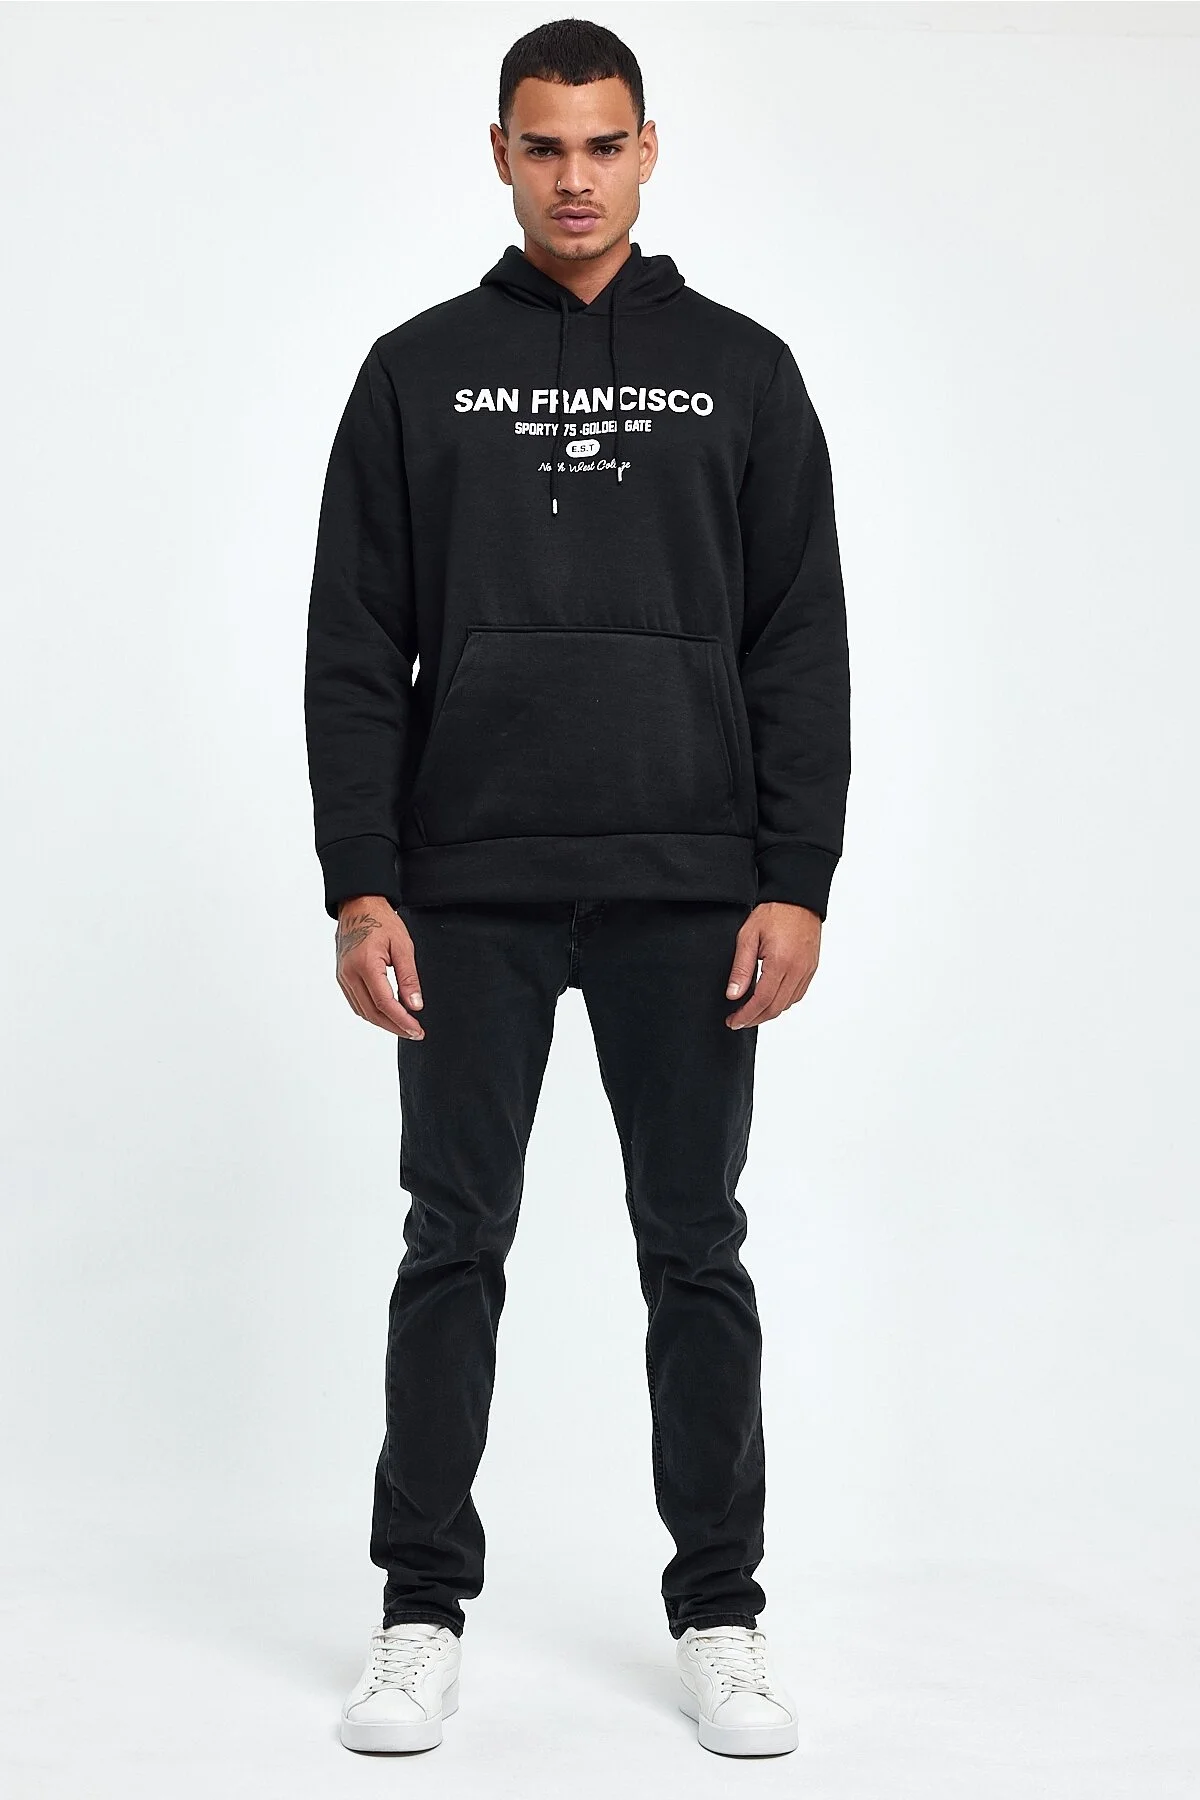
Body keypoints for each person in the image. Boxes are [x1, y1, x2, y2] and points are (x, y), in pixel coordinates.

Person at [304, 17, 851, 1761]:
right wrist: (361, 881)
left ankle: (721, 1616)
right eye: (543, 146)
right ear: (499, 154)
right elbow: (351, 646)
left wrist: (796, 878)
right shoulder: (418, 371)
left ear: (648, 148)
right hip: (464, 884)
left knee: (695, 1247)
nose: (574, 178)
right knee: (451, 1241)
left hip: (689, 881)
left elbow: (798, 643)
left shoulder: (744, 373)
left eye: (603, 144)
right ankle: (417, 1610)